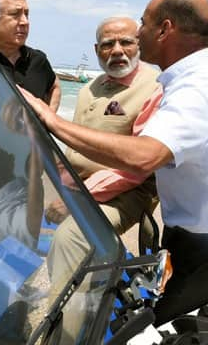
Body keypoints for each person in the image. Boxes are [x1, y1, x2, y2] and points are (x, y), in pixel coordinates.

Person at [21, 0, 208, 326]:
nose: (138, 31)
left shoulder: (197, 88)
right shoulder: (203, 78)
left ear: (164, 29)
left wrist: (52, 121)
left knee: (180, 329)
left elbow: (145, 156)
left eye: (142, 24)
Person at [45, 16, 162, 292]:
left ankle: (68, 328)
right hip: (81, 185)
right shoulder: (89, 88)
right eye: (108, 44)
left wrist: (79, 200)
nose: (118, 50)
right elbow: (76, 144)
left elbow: (138, 166)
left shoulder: (155, 87)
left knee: (70, 237)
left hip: (128, 192)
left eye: (126, 42)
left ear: (139, 45)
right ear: (97, 50)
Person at [0, 0, 61, 112]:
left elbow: (55, 85)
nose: (25, 22)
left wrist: (49, 119)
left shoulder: (38, 60)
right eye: (15, 14)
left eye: (26, 14)